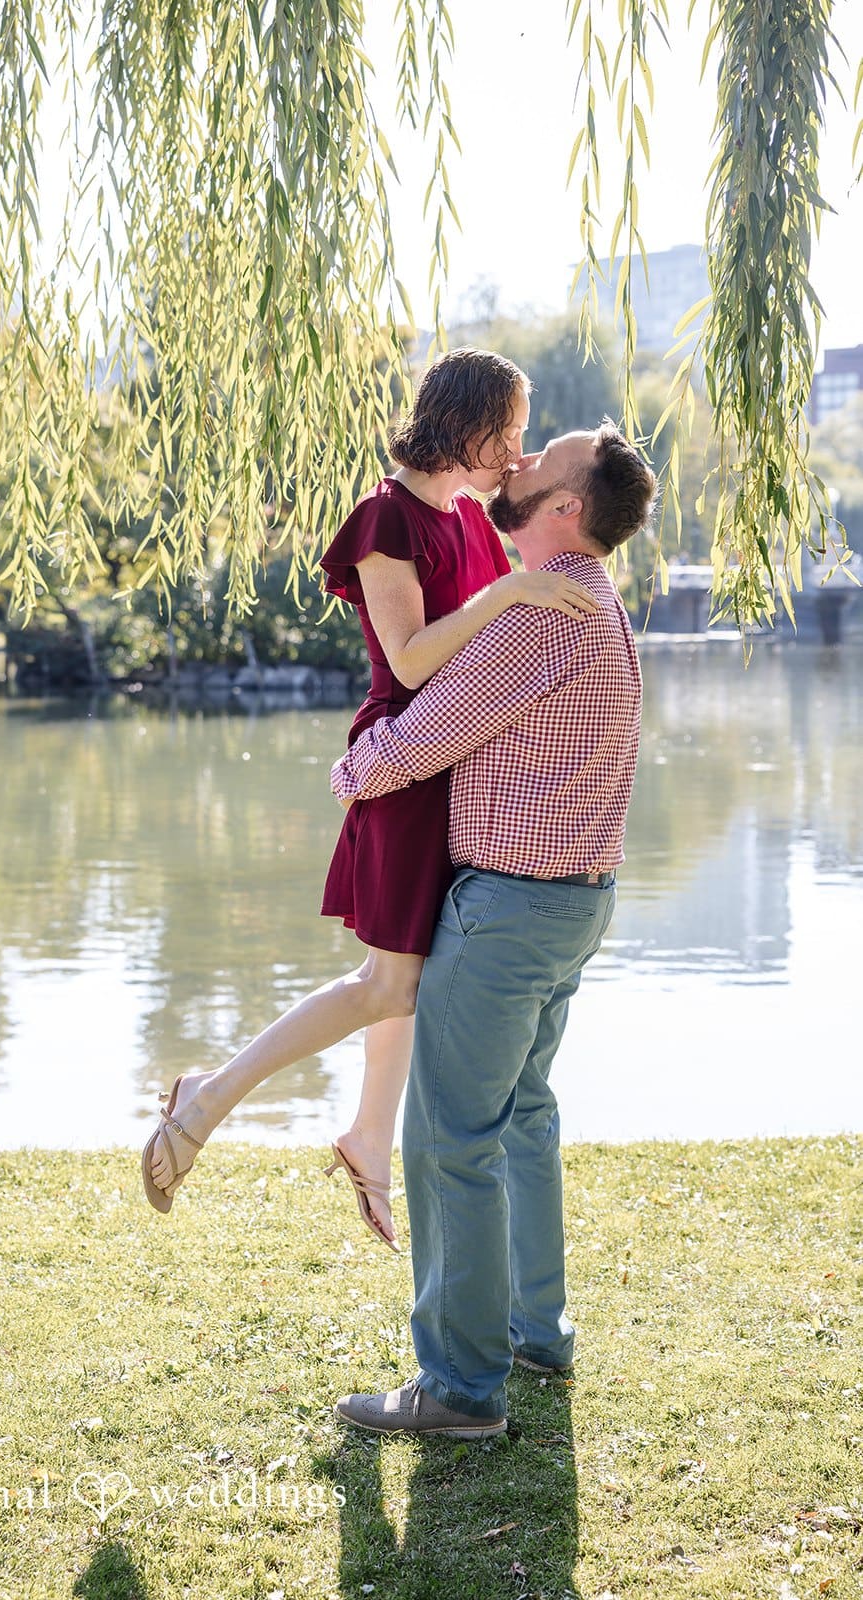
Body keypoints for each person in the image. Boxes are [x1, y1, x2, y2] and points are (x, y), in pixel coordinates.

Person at [141, 349, 602, 1244]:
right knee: (388, 982)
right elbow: (412, 659)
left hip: (453, 763)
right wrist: (511, 589)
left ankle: (365, 1135)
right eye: (506, 432)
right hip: (404, 764)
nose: (516, 452)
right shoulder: (386, 518)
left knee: (416, 976)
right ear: (464, 426)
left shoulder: (467, 517)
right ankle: (207, 1099)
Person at [330, 422, 657, 1436]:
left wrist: (348, 772)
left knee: (448, 1136)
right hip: (570, 901)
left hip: (510, 908)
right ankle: (532, 1329)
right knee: (518, 1114)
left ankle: (462, 1387)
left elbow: (419, 744)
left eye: (534, 466)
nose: (512, 469)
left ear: (564, 511)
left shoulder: (540, 618)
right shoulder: (591, 605)